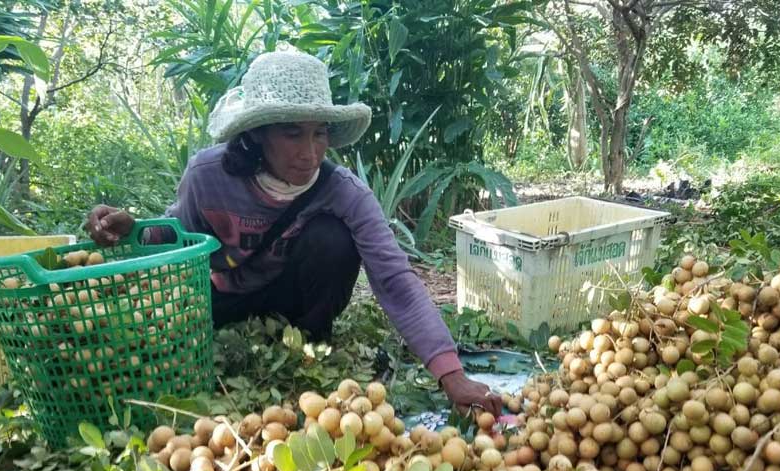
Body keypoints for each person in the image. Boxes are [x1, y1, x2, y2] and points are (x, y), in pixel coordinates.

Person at [85, 49, 501, 416]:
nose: (310, 152)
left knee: (332, 238)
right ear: (257, 135)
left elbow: (395, 280)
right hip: (222, 297)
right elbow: (182, 239)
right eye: (292, 133)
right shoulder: (207, 176)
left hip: (290, 303)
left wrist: (451, 375)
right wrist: (133, 229)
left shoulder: (342, 192)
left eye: (319, 133)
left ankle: (308, 345)